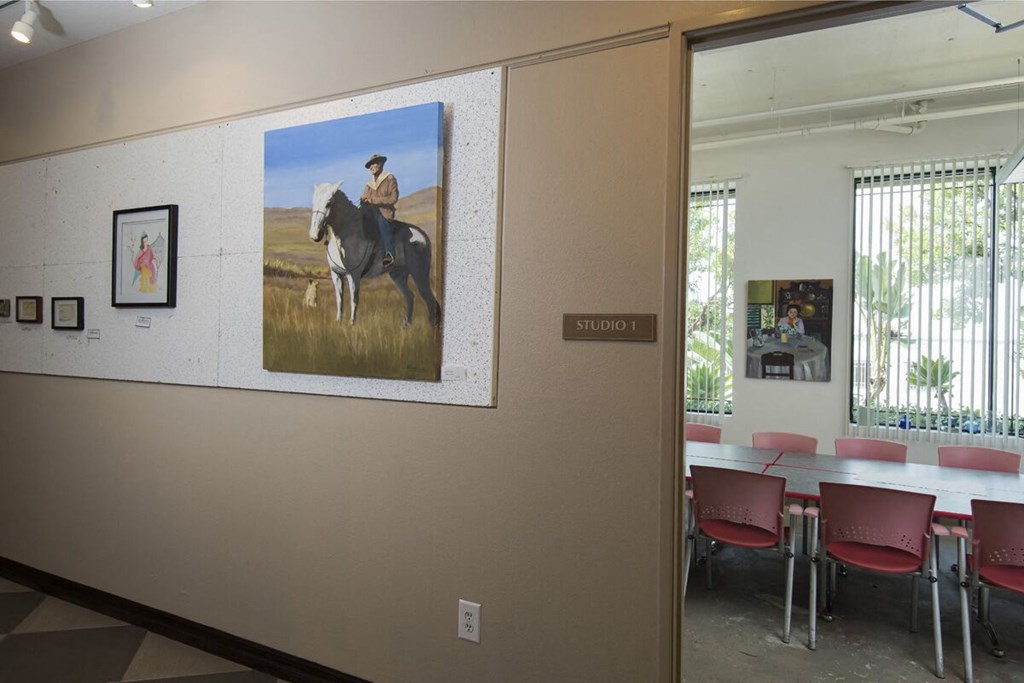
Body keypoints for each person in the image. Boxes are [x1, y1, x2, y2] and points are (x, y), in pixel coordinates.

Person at [359, 153, 399, 268]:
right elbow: (366, 197)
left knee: (382, 223)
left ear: (380, 164)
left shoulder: (389, 178)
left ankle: (389, 254)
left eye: (373, 164)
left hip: (384, 213)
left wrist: (373, 200)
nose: (371, 167)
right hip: (371, 212)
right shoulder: (369, 184)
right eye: (370, 165)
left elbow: (393, 198)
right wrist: (363, 199)